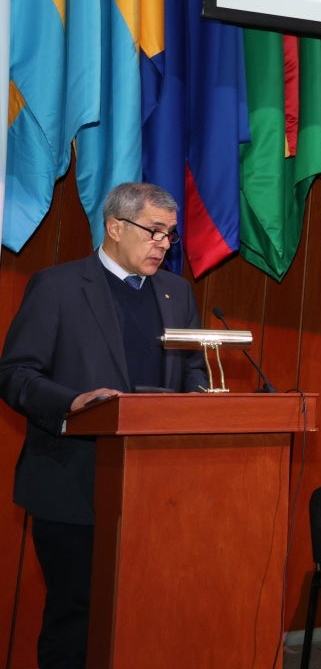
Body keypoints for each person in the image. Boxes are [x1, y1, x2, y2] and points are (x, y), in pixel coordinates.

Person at [0, 182, 208, 669]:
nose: (163, 243)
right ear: (115, 227)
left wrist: (200, 404)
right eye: (153, 231)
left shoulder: (177, 293)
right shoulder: (58, 286)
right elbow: (15, 374)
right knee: (76, 618)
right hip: (74, 482)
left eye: (170, 235)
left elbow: (193, 369)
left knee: (145, 615)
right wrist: (74, 402)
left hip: (158, 488)